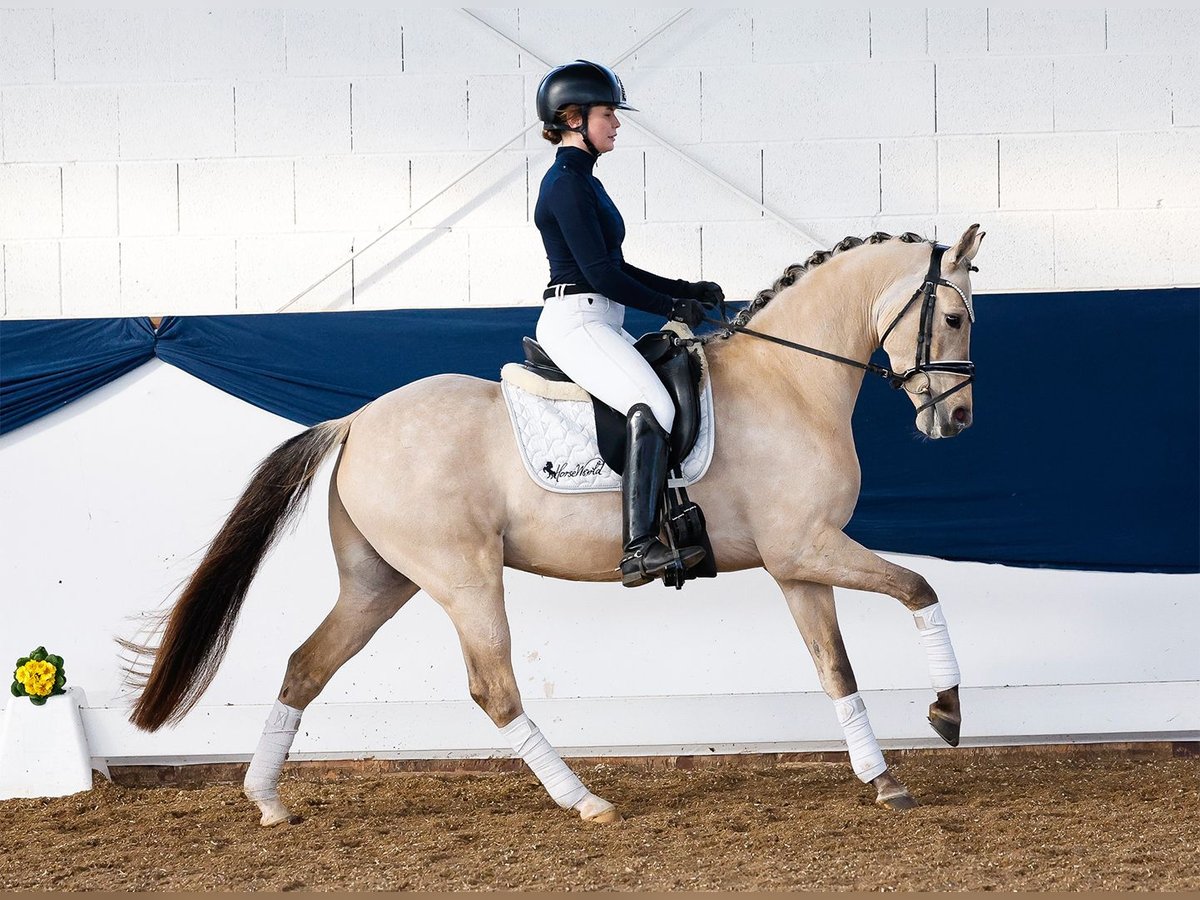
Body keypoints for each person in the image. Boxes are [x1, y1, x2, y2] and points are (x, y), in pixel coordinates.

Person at [532, 59, 724, 588]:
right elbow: (599, 273)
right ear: (573, 119)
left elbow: (614, 269)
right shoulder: (567, 184)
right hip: (576, 320)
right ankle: (638, 548)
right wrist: (667, 308)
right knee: (654, 405)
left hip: (598, 316)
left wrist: (684, 290)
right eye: (607, 114)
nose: (616, 124)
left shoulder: (583, 181)